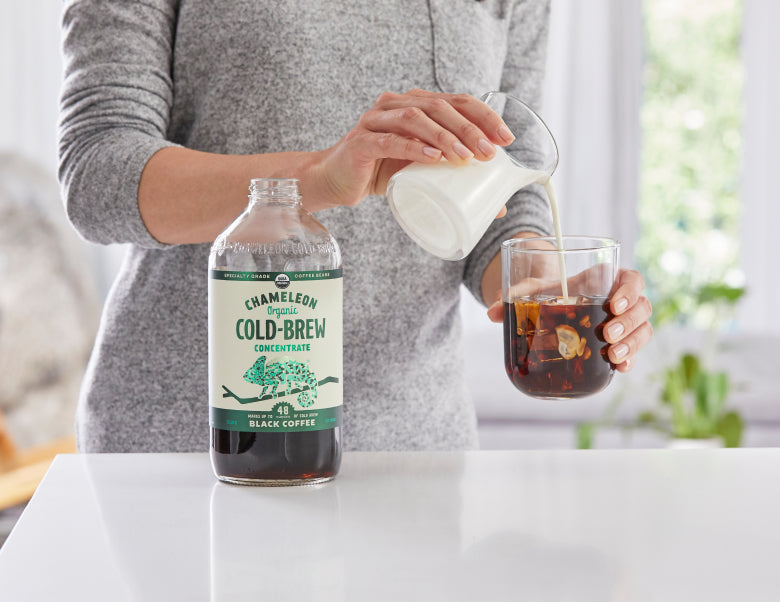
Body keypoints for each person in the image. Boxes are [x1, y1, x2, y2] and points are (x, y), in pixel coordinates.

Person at [58, 0, 652, 453]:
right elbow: (98, 174)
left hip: (413, 450)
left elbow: (507, 181)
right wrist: (319, 178)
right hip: (195, 439)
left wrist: (537, 283)